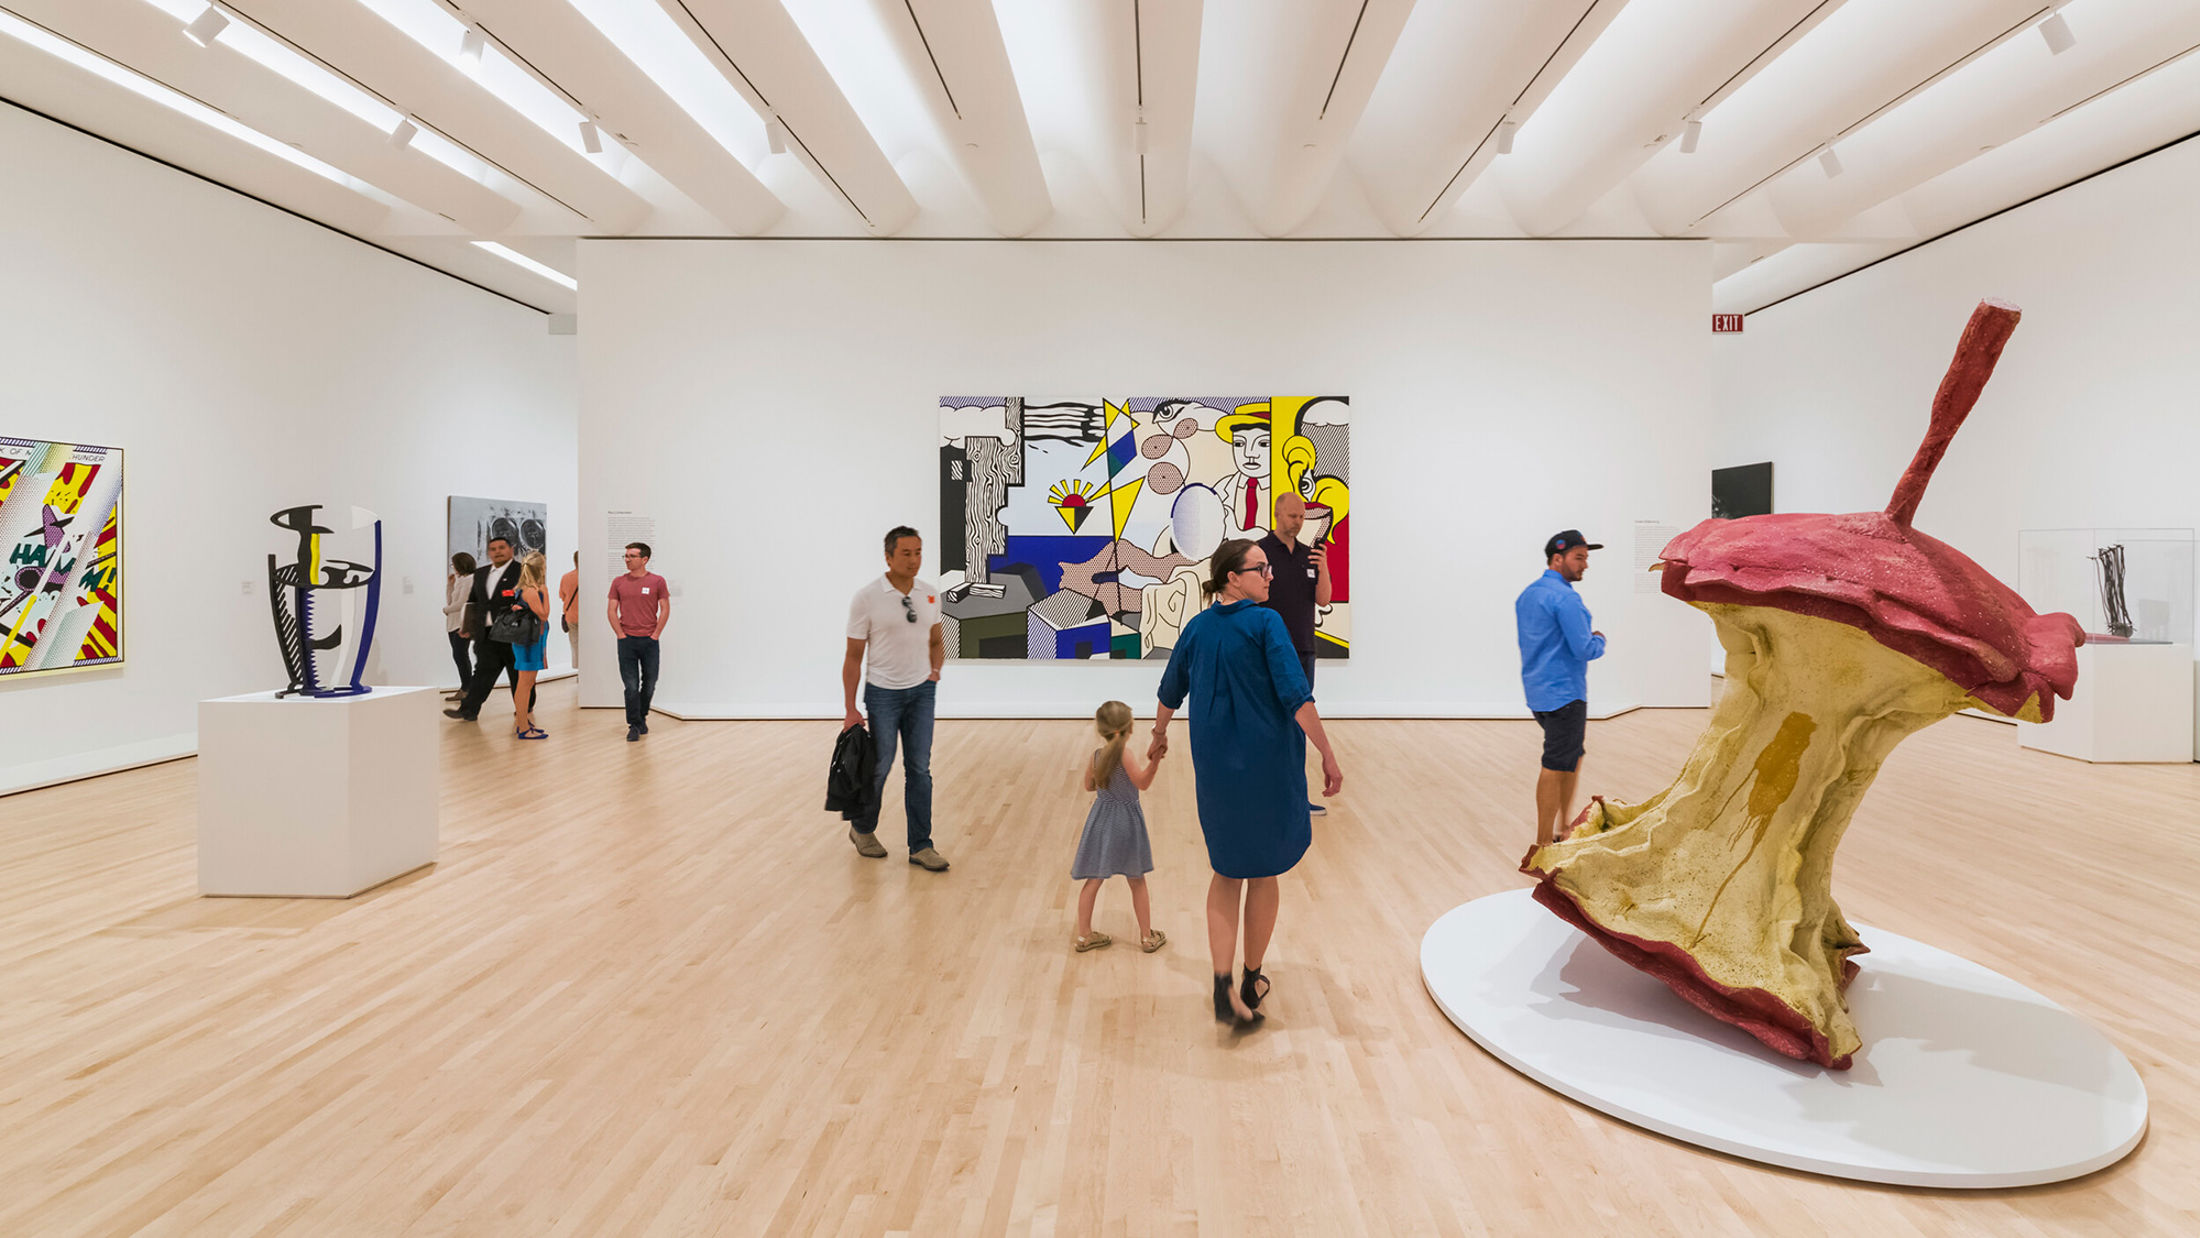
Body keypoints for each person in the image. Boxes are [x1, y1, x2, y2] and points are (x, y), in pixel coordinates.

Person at [1149, 538, 1344, 1030]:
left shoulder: (1196, 628)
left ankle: (1221, 984)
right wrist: (1328, 753)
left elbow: (1169, 692)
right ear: (1232, 576)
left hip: (1215, 769)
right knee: (1264, 872)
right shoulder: (1265, 623)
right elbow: (1297, 696)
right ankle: (1252, 977)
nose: (1270, 575)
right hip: (1267, 767)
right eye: (1261, 569)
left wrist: (1157, 737)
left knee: (1226, 869)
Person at [842, 525, 949, 872]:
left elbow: (935, 639)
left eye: (918, 552)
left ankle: (921, 845)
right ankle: (862, 829)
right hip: (882, 693)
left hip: (922, 693)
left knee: (920, 769)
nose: (914, 560)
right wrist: (850, 708)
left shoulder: (931, 595)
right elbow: (853, 656)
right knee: (880, 766)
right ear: (888, 556)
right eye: (906, 553)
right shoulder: (867, 597)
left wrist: (934, 673)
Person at [1516, 530, 1607, 848]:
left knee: (1573, 755)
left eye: (1586, 558)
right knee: (1555, 763)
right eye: (1579, 557)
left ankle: (1564, 825)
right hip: (1566, 694)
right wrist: (1600, 639)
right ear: (1558, 558)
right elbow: (1584, 648)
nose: (1584, 565)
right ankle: (1543, 844)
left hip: (1539, 693)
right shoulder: (1566, 598)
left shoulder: (1528, 594)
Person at [1257, 493, 1334, 817]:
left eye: (1301, 517)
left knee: (1298, 726)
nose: (1298, 522)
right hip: (1269, 652)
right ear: (1277, 514)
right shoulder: (1259, 552)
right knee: (1267, 724)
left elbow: (1323, 599)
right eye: (1292, 516)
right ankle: (1265, 796)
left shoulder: (1310, 555)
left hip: (1303, 650)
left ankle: (1295, 799)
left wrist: (1325, 566)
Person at [1070, 700, 1165, 954]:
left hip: (1101, 819)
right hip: (1126, 822)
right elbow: (1142, 783)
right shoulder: (1126, 754)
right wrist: (1155, 762)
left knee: (1094, 879)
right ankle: (1146, 937)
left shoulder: (1096, 755)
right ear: (1129, 728)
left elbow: (1089, 786)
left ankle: (1084, 936)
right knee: (1136, 880)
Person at [445, 536, 532, 722]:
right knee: (483, 672)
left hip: (513, 633)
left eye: (502, 547)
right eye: (493, 549)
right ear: (488, 552)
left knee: (516, 673)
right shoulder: (482, 573)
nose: (497, 551)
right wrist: (468, 626)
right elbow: (474, 601)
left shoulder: (522, 571)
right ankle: (468, 710)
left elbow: (531, 598)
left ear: (511, 549)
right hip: (487, 634)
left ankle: (525, 705)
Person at [607, 542, 669, 743]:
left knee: (650, 683)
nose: (627, 559)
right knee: (631, 685)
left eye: (631, 556)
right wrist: (620, 634)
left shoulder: (657, 581)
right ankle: (634, 724)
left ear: (644, 559)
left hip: (650, 641)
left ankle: (641, 716)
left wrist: (656, 634)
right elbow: (611, 610)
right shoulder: (618, 582)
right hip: (627, 641)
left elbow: (665, 608)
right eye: (625, 556)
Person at [510, 552, 551, 740]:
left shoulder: (523, 589)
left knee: (526, 683)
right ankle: (523, 726)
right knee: (525, 684)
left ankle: (523, 723)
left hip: (530, 640)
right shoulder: (532, 591)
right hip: (529, 641)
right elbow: (544, 615)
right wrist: (546, 593)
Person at [443, 551, 477, 698]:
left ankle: (467, 688)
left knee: (460, 656)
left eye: (454, 564)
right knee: (459, 656)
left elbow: (462, 603)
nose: (453, 568)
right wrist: (450, 586)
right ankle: (466, 688)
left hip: (462, 623)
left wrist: (446, 610)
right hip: (453, 623)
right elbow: (451, 601)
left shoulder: (470, 580)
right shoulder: (460, 580)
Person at [558, 551, 580, 671]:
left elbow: (562, 596)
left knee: (575, 644)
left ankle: (580, 673)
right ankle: (589, 673)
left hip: (571, 616)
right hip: (588, 617)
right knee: (590, 645)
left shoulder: (566, 577)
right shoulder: (590, 577)